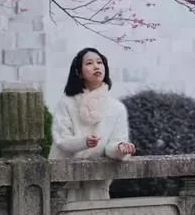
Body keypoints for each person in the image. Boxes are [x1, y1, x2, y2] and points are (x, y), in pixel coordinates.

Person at [49, 47, 136, 202]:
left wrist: (121, 148)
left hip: (97, 182)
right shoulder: (66, 103)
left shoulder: (117, 108)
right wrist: (84, 142)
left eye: (99, 62)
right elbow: (62, 140)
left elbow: (113, 144)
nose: (96, 66)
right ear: (79, 72)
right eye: (89, 63)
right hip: (64, 182)